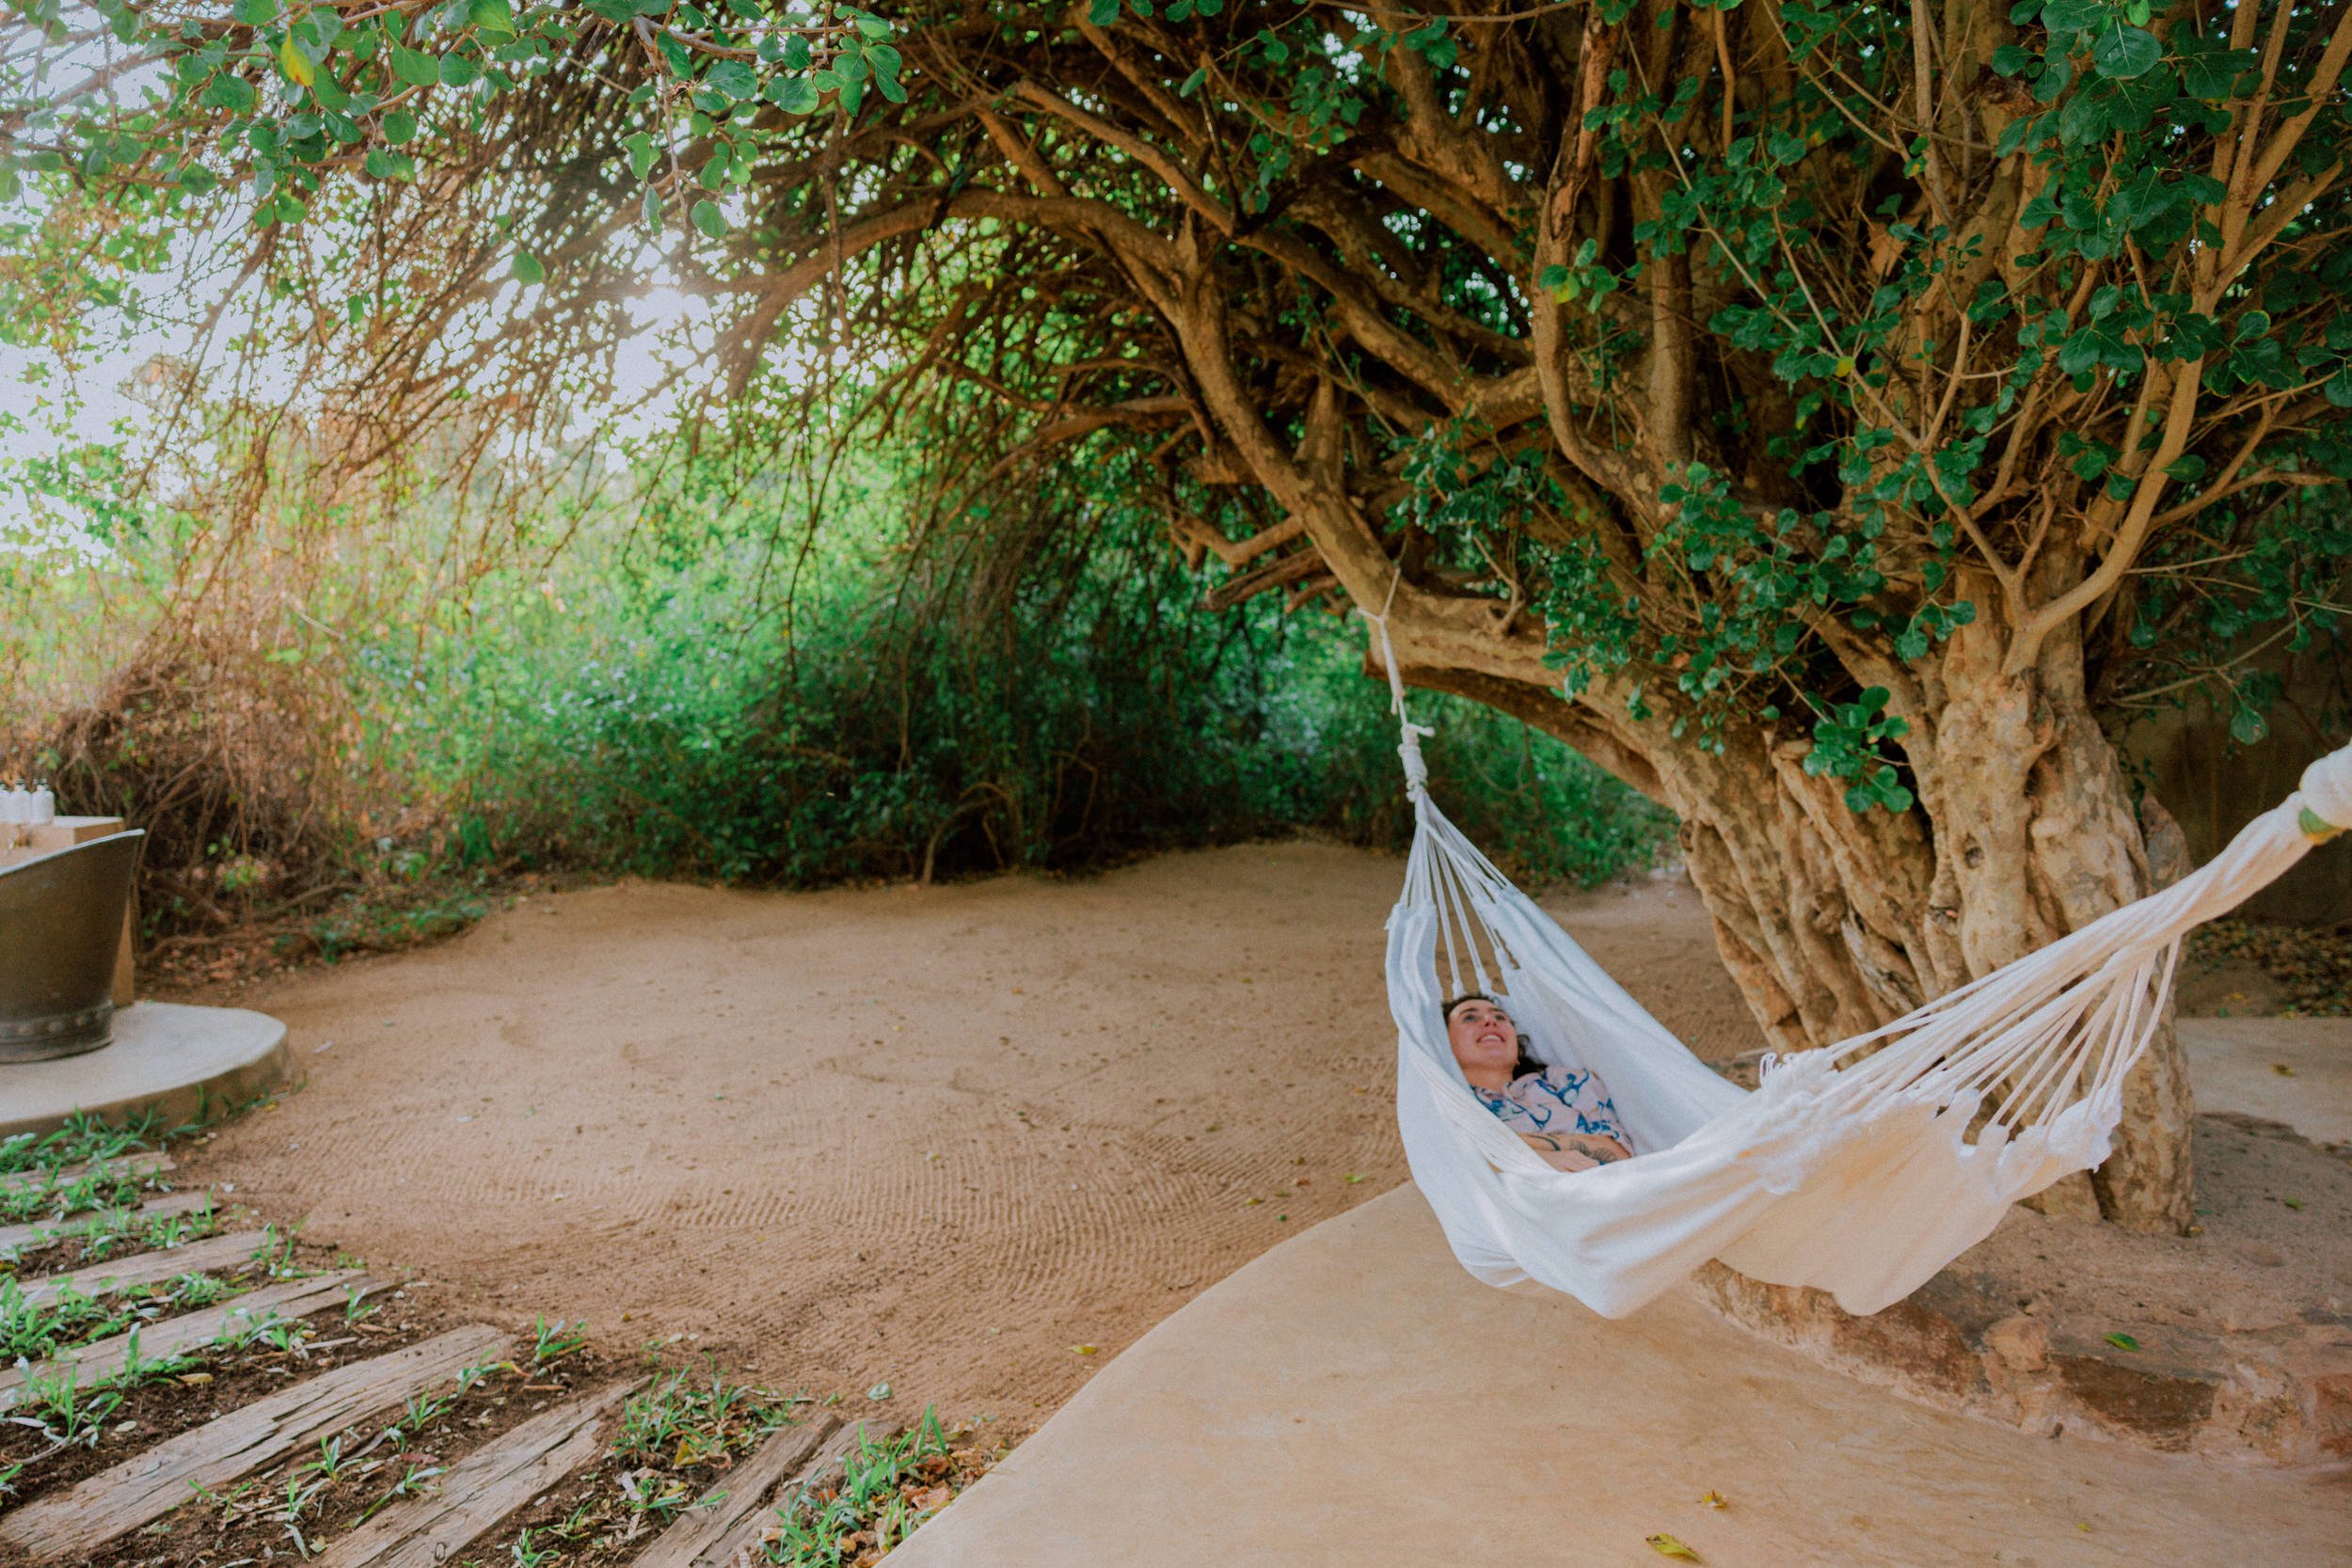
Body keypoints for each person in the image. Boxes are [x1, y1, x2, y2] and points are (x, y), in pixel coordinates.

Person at [1443, 993, 1634, 1173]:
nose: (1490, 1021)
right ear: (1443, 1043)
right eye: (1469, 1018)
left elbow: (1618, 1152)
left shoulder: (1567, 1082)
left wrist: (1515, 1148)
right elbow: (1448, 1161)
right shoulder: (1447, 1102)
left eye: (1500, 1017)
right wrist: (1547, 1159)